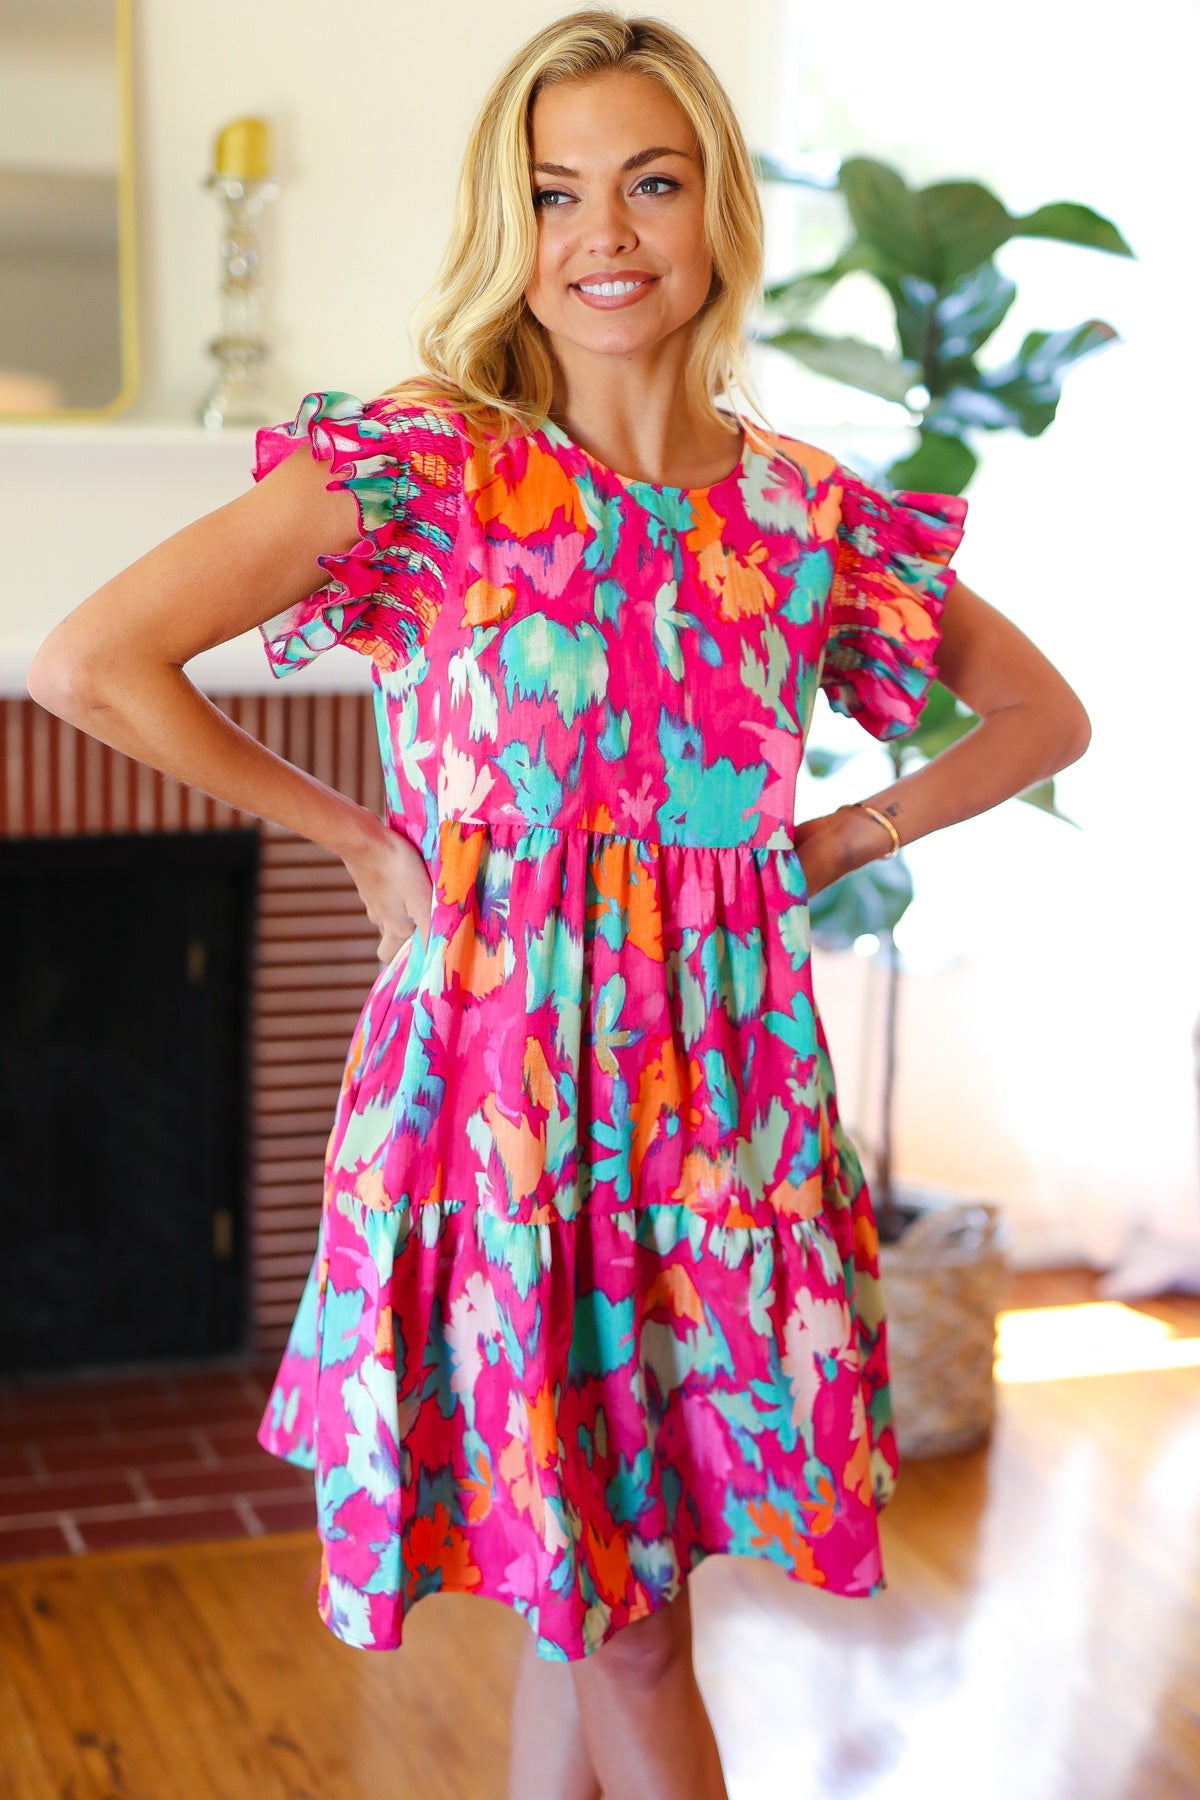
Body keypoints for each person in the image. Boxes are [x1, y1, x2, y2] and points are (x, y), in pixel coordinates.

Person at [27, 10, 1090, 1798]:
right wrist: (360, 841)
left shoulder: (802, 515)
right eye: (552, 191)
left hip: (722, 1109)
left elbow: (1045, 717)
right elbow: (90, 663)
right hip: (502, 1108)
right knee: (626, 1617)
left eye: (650, 182)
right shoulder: (429, 468)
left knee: (591, 1591)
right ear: (504, 223)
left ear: (718, 208)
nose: (603, 231)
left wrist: (837, 840)